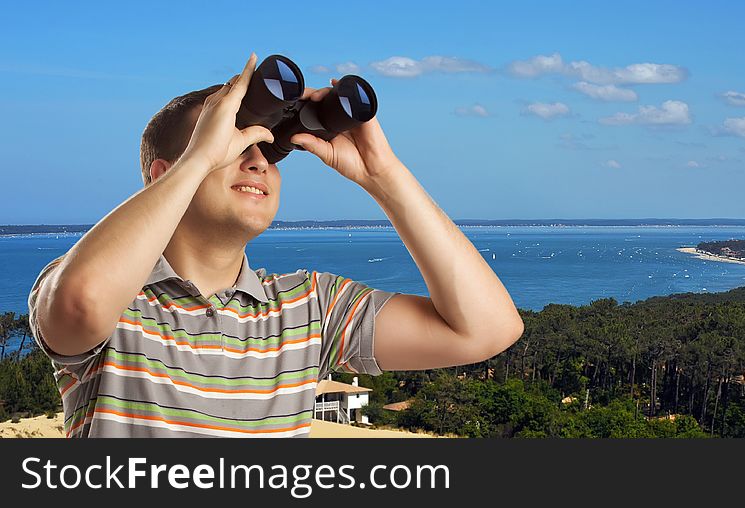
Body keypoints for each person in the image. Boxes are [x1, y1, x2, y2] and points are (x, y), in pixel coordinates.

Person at [27, 53, 523, 437]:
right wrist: (198, 159)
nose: (259, 162)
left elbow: (487, 330)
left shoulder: (309, 310)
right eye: (234, 146)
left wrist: (383, 176)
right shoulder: (110, 295)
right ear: (167, 173)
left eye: (271, 150)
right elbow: (80, 301)